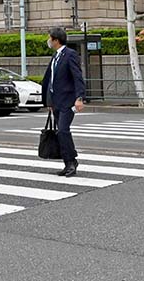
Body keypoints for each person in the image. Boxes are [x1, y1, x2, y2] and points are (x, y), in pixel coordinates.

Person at [42, 27, 86, 176]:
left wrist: (79, 98)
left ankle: (72, 161)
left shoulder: (70, 55)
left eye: (50, 38)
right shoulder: (55, 56)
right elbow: (51, 81)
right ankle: (68, 163)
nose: (48, 41)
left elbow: (77, 77)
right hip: (56, 102)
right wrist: (49, 102)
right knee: (61, 132)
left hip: (68, 101)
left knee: (63, 130)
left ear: (56, 40)